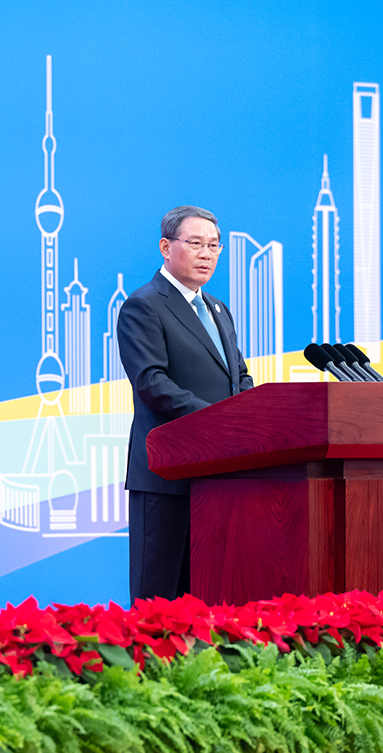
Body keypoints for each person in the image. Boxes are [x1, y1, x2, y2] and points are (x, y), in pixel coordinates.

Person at [117, 206, 254, 604]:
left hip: (220, 476)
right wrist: (218, 420)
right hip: (168, 475)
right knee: (159, 600)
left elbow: (239, 377)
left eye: (214, 246)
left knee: (212, 596)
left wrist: (252, 414)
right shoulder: (144, 305)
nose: (206, 254)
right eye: (195, 243)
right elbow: (152, 383)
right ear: (166, 247)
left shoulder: (218, 309)